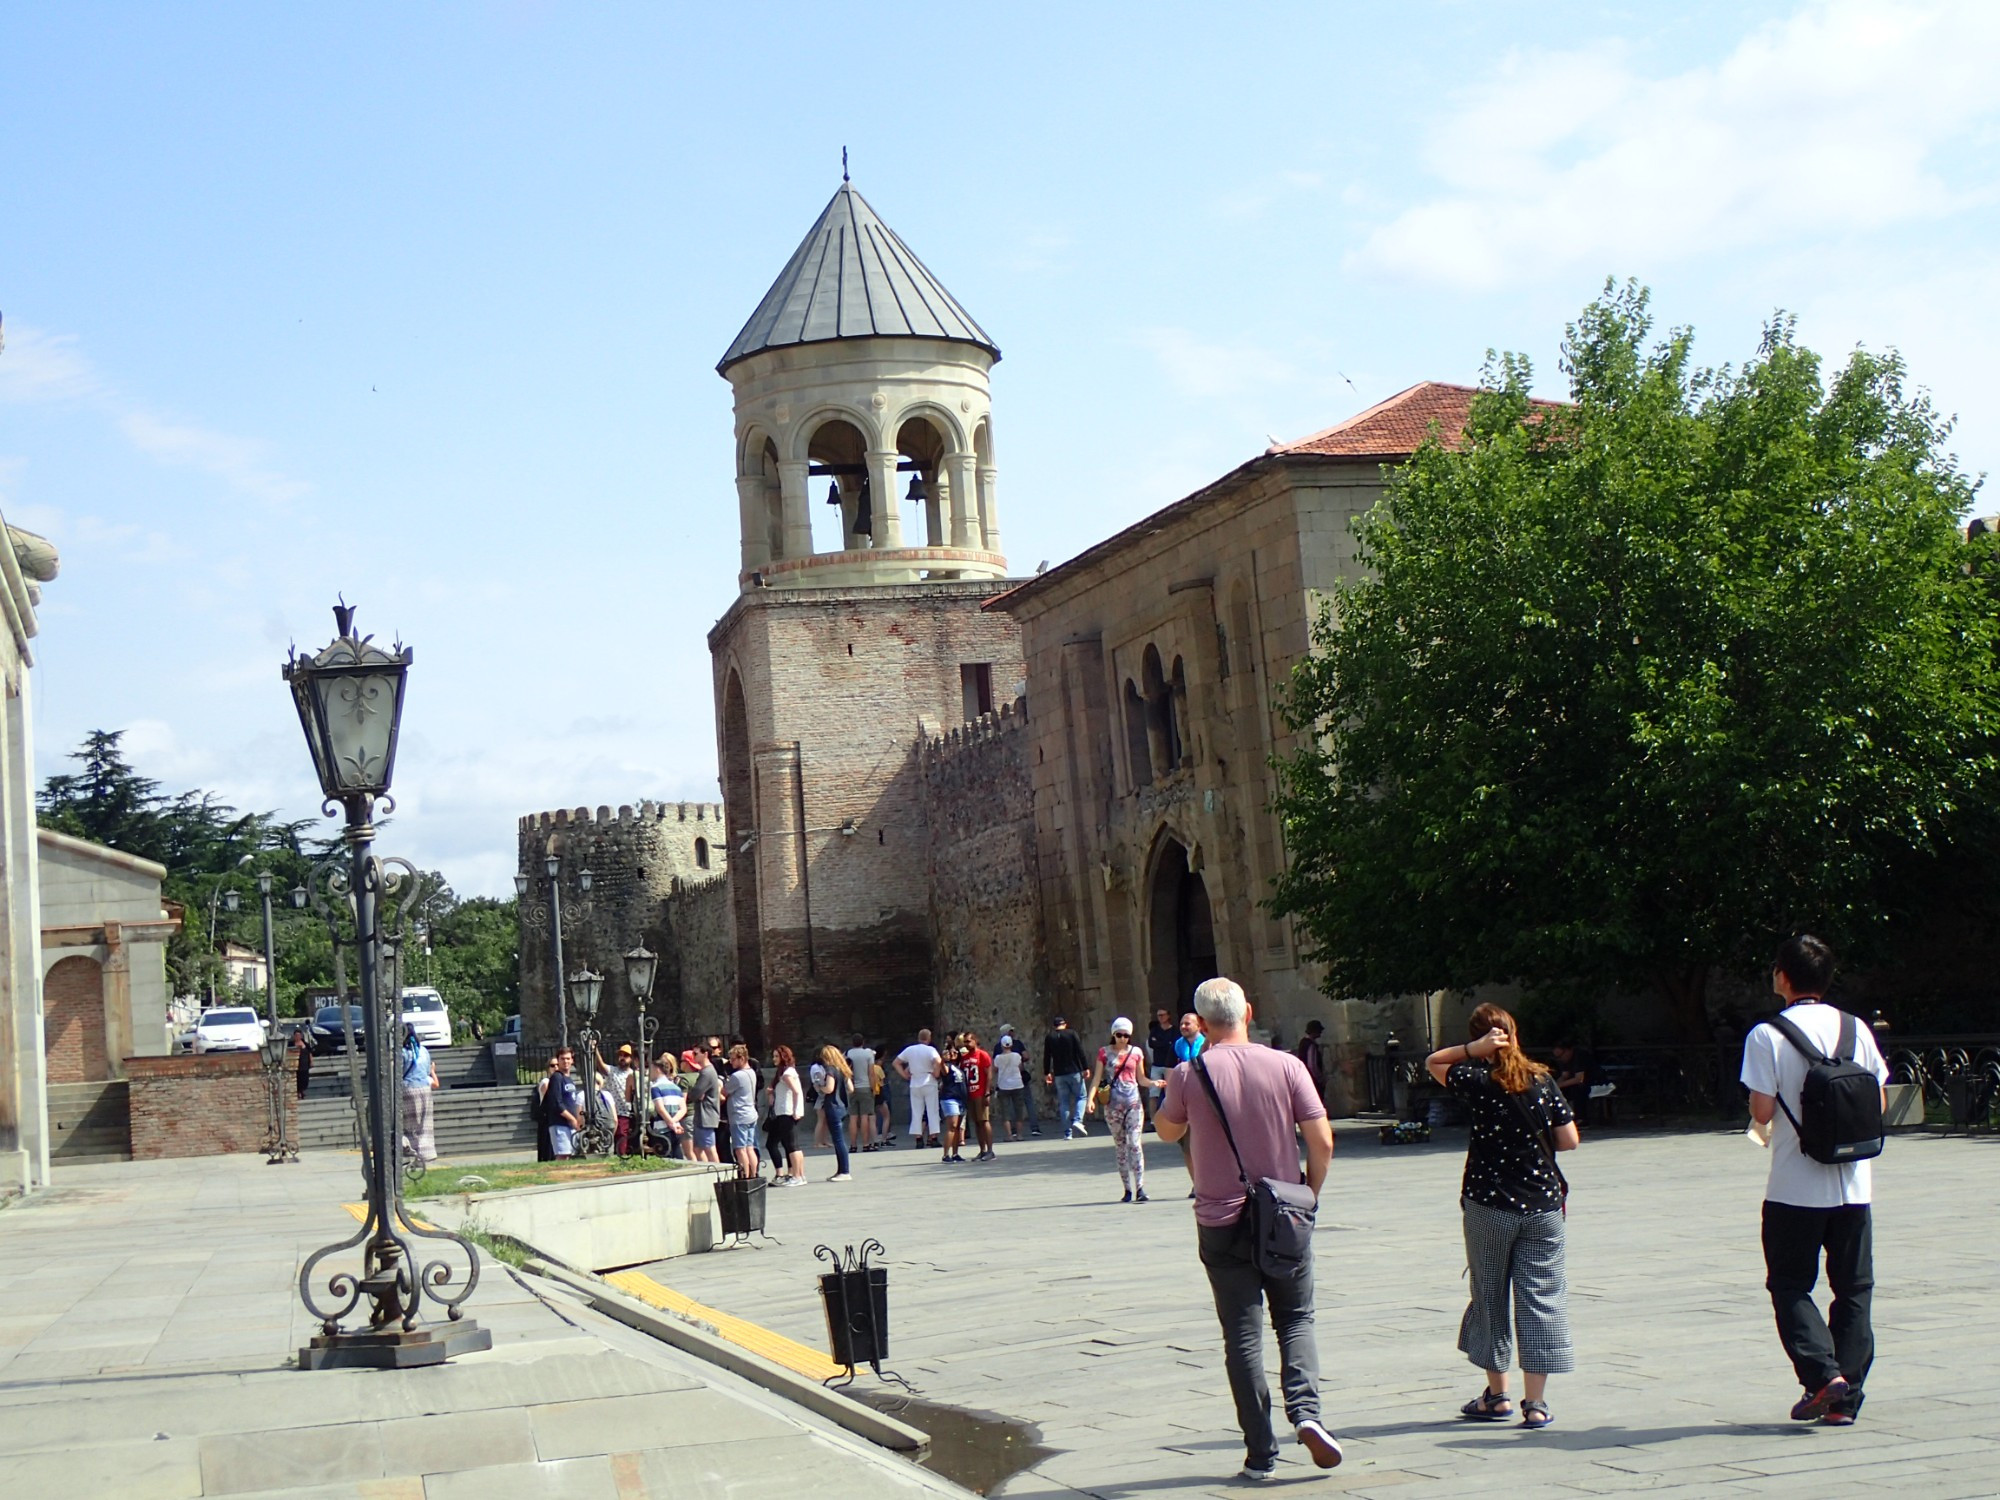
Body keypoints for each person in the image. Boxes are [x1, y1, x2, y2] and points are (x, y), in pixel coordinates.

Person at [1156, 977, 1342, 1481]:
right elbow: (1321, 1141)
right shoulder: (1287, 1065)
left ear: (1201, 1020)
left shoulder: (1187, 1072)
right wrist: (1311, 1192)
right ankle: (1306, 1415)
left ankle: (1261, 1454)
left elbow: (1168, 1130)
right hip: (1284, 1213)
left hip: (1220, 1217)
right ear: (1248, 1012)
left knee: (1241, 1335)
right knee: (1297, 1319)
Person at [1742, 934, 1888, 1427]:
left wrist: (1762, 1127)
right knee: (1853, 1289)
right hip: (1854, 1184)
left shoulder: (1767, 1035)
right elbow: (1879, 1101)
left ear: (1782, 977)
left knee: (1789, 1283)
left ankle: (1824, 1377)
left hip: (1794, 1185)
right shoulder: (1856, 1028)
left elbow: (1762, 1110)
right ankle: (1845, 1396)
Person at [1425, 1004, 1580, 1431]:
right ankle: (1537, 1404)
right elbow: (1569, 1140)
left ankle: (1497, 1396)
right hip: (1543, 1204)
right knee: (1541, 1299)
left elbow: (1433, 1062)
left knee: (1490, 1294)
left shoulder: (1475, 1079)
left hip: (1489, 1203)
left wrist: (1472, 1050)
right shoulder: (1543, 1080)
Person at [1090, 1016, 1162, 1201]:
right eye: (1119, 1035)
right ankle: (1127, 1189)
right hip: (1112, 1106)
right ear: (1113, 1035)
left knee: (1135, 1144)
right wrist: (1091, 1099)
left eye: (1126, 1035)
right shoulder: (1104, 1053)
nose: (1122, 1038)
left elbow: (1141, 1078)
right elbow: (1097, 1079)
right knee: (1121, 1146)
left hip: (1133, 1102)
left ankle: (1140, 1187)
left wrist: (1153, 1083)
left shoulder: (1136, 1052)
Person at [1043, 1016, 1092, 1139]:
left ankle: (1067, 1133)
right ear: (1064, 1024)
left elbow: (1047, 1056)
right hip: (1074, 1071)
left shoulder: (1050, 1037)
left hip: (1059, 1074)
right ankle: (1078, 1120)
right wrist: (1085, 1067)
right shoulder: (1071, 1034)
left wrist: (1047, 1072)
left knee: (1063, 1102)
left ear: (1054, 1026)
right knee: (1081, 1096)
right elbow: (1080, 1051)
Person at [767, 1045, 808, 1185]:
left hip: (787, 1111)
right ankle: (799, 1175)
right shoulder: (785, 1072)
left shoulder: (787, 1074)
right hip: (784, 1111)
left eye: (777, 1056)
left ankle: (797, 1176)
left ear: (784, 1057)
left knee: (792, 1145)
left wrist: (796, 1110)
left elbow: (796, 1092)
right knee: (791, 1144)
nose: (774, 1059)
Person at [400, 1024, 440, 1167]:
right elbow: (428, 1071)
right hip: (425, 1090)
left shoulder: (402, 1053)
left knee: (407, 1125)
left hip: (407, 1090)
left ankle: (408, 1151)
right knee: (424, 1125)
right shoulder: (424, 1051)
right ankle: (425, 1156)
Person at [896, 1029, 943, 1148]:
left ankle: (918, 1138)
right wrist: (936, 1073)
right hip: (928, 1079)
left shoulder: (910, 1050)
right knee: (932, 1110)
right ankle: (933, 1137)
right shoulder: (930, 1050)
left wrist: (904, 1074)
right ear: (929, 1038)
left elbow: (896, 1062)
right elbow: (938, 1061)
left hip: (915, 1081)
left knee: (917, 1111)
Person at [816, 1045, 854, 1180]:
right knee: (839, 1139)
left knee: (838, 1140)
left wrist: (820, 1086)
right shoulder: (843, 1070)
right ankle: (841, 1171)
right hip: (842, 1106)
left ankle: (844, 1171)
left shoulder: (830, 1070)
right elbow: (850, 1088)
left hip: (832, 1106)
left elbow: (829, 1088)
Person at [723, 1044, 761, 1178]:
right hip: (750, 1113)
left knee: (740, 1149)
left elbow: (724, 1092)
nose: (731, 1062)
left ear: (742, 1058)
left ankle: (745, 1175)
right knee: (750, 1147)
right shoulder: (751, 1072)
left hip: (739, 1115)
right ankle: (754, 1174)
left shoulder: (737, 1076)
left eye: (733, 1059)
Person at [998, 1025, 1042, 1135]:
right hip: (1019, 1078)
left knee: (1010, 1105)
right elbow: (1026, 1057)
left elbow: (995, 1065)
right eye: (1012, 1031)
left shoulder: (997, 1048)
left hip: (1004, 1081)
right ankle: (1034, 1128)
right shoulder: (1017, 1044)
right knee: (1028, 1102)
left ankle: (1013, 1131)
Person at [962, 1029, 996, 1161]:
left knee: (984, 1120)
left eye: (969, 1041)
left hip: (980, 1092)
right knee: (976, 1122)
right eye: (965, 1042)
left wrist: (987, 1092)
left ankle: (990, 1150)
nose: (966, 1044)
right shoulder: (964, 1058)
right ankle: (982, 1150)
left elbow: (989, 1074)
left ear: (975, 1041)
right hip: (970, 1093)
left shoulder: (982, 1055)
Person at [687, 1043, 723, 1164]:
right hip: (702, 1115)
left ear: (705, 1054)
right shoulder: (705, 1071)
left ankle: (718, 1175)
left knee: (709, 1148)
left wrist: (695, 1095)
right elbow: (698, 1094)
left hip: (706, 1115)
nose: (693, 1056)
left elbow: (695, 1093)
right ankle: (708, 1171)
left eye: (696, 1053)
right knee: (697, 1149)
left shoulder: (707, 1072)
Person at [646, 1055, 688, 1159]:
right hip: (676, 1128)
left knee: (665, 1158)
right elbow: (683, 1109)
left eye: (650, 1069)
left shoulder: (655, 1087)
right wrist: (674, 1122)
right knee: (678, 1157)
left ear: (657, 1069)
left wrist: (670, 1123)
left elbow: (660, 1109)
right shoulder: (676, 1087)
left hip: (661, 1129)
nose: (648, 1072)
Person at [993, 1032, 1031, 1142]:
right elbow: (1021, 1068)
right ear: (1011, 1045)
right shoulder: (1017, 1056)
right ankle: (1019, 1135)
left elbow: (994, 1070)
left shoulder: (998, 1058)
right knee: (1019, 1110)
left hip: (1003, 1085)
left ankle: (1009, 1135)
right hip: (1017, 1084)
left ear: (1002, 1045)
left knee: (1005, 1112)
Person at [602, 1043, 638, 1156]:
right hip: (612, 1112)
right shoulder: (612, 1071)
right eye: (620, 1055)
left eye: (626, 1055)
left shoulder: (634, 1074)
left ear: (631, 1058)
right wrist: (595, 1049)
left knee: (624, 1137)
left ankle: (623, 1156)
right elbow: (601, 1065)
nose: (622, 1058)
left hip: (627, 1112)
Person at [936, 1041, 970, 1162]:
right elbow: (943, 1071)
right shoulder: (947, 1066)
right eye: (952, 1052)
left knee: (957, 1127)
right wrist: (942, 1059)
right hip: (950, 1098)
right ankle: (946, 1154)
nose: (955, 1053)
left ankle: (955, 1153)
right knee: (952, 1126)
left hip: (961, 1099)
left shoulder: (958, 1068)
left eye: (956, 1051)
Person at [546, 1049, 582, 1160]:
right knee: (563, 1155)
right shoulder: (557, 1077)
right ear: (558, 1060)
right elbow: (556, 1102)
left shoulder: (569, 1079)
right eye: (562, 1059)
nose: (565, 1061)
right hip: (560, 1123)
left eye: (568, 1058)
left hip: (570, 1124)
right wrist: (571, 1118)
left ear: (572, 1060)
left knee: (571, 1154)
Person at [845, 1035, 878, 1152]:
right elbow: (871, 1073)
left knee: (853, 1117)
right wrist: (874, 1088)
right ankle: (865, 1144)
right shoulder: (868, 1054)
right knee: (865, 1116)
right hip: (865, 1086)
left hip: (852, 1087)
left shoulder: (848, 1053)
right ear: (863, 1042)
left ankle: (853, 1145)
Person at [1146, 1007, 1178, 1130]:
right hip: (1157, 1064)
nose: (1160, 1018)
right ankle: (1153, 1121)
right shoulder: (1154, 1030)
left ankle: (1172, 1118)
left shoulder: (1174, 1031)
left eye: (1163, 1015)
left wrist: (1161, 1043)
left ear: (1168, 1016)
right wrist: (1166, 1043)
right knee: (1154, 1093)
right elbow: (1151, 1043)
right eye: (1159, 1015)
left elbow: (1174, 1044)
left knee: (1172, 1092)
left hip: (1170, 1065)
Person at [1552, 1040, 1596, 1125]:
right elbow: (1565, 1075)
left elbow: (1579, 1079)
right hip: (1581, 1083)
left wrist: (1559, 1085)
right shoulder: (1565, 1060)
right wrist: (1554, 1086)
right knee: (1561, 1091)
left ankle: (1581, 1118)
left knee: (1577, 1089)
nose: (1560, 1059)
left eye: (1561, 1056)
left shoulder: (1580, 1056)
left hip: (1595, 1083)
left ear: (1568, 1051)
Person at [1293, 1020, 1328, 1106]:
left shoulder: (1303, 1043)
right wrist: (1321, 1079)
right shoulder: (1311, 1045)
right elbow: (1312, 1065)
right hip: (1313, 1080)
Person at [871, 1048, 893, 1146]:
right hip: (878, 1092)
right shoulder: (877, 1068)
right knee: (886, 1116)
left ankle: (875, 1140)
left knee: (872, 1118)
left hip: (869, 1093)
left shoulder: (865, 1068)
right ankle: (884, 1139)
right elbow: (882, 1082)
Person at [293, 1028, 313, 1101]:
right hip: (297, 1066)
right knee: (298, 1080)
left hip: (305, 1065)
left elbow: (310, 1053)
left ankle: (302, 1091)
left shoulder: (306, 1044)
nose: (297, 1037)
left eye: (299, 1035)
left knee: (305, 1080)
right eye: (296, 1035)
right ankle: (299, 1092)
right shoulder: (291, 1044)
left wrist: (311, 1061)